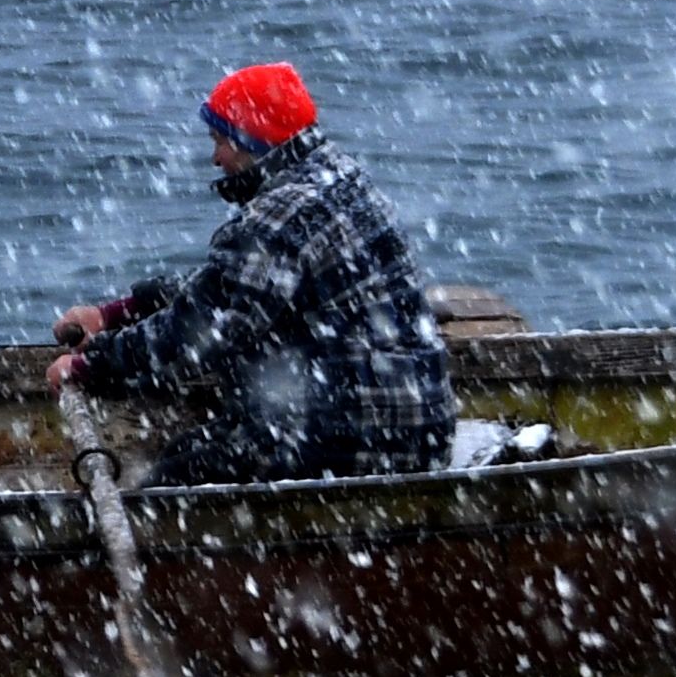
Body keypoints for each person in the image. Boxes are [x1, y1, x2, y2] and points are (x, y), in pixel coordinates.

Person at [49, 62, 453, 486]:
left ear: (249, 139)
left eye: (219, 140)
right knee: (187, 455)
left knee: (169, 487)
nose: (216, 157)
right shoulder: (338, 176)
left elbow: (202, 331)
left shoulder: (278, 216)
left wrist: (90, 367)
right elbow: (230, 291)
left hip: (358, 433)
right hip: (410, 422)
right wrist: (118, 314)